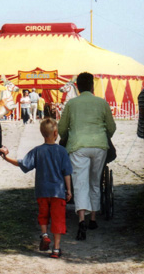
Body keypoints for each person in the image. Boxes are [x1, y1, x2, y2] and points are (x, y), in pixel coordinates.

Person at [0, 118, 72, 259]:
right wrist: (69, 190)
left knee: (43, 215)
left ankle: (44, 235)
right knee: (58, 219)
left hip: (42, 191)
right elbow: (66, 173)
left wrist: (6, 158)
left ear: (42, 133)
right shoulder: (62, 151)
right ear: (56, 133)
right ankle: (56, 249)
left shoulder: (37, 151)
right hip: (58, 192)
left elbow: (22, 164)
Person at [58, 72, 116, 240]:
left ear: (77, 86)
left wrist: (66, 136)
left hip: (78, 146)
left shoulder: (71, 103)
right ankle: (93, 218)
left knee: (80, 182)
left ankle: (81, 219)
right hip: (99, 146)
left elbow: (62, 128)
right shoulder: (102, 103)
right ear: (92, 86)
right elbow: (111, 127)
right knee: (95, 181)